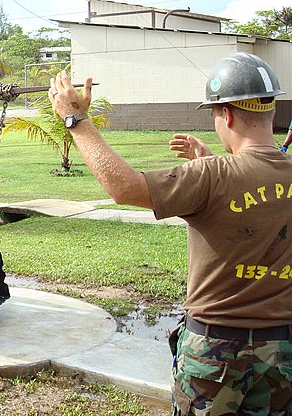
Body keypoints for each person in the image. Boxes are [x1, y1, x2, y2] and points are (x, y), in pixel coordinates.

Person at [49, 52, 292, 415]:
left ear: (224, 114)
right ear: (271, 110)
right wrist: (211, 165)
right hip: (284, 354)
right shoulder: (217, 174)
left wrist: (76, 119)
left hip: (215, 355)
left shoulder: (211, 176)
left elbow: (124, 187)